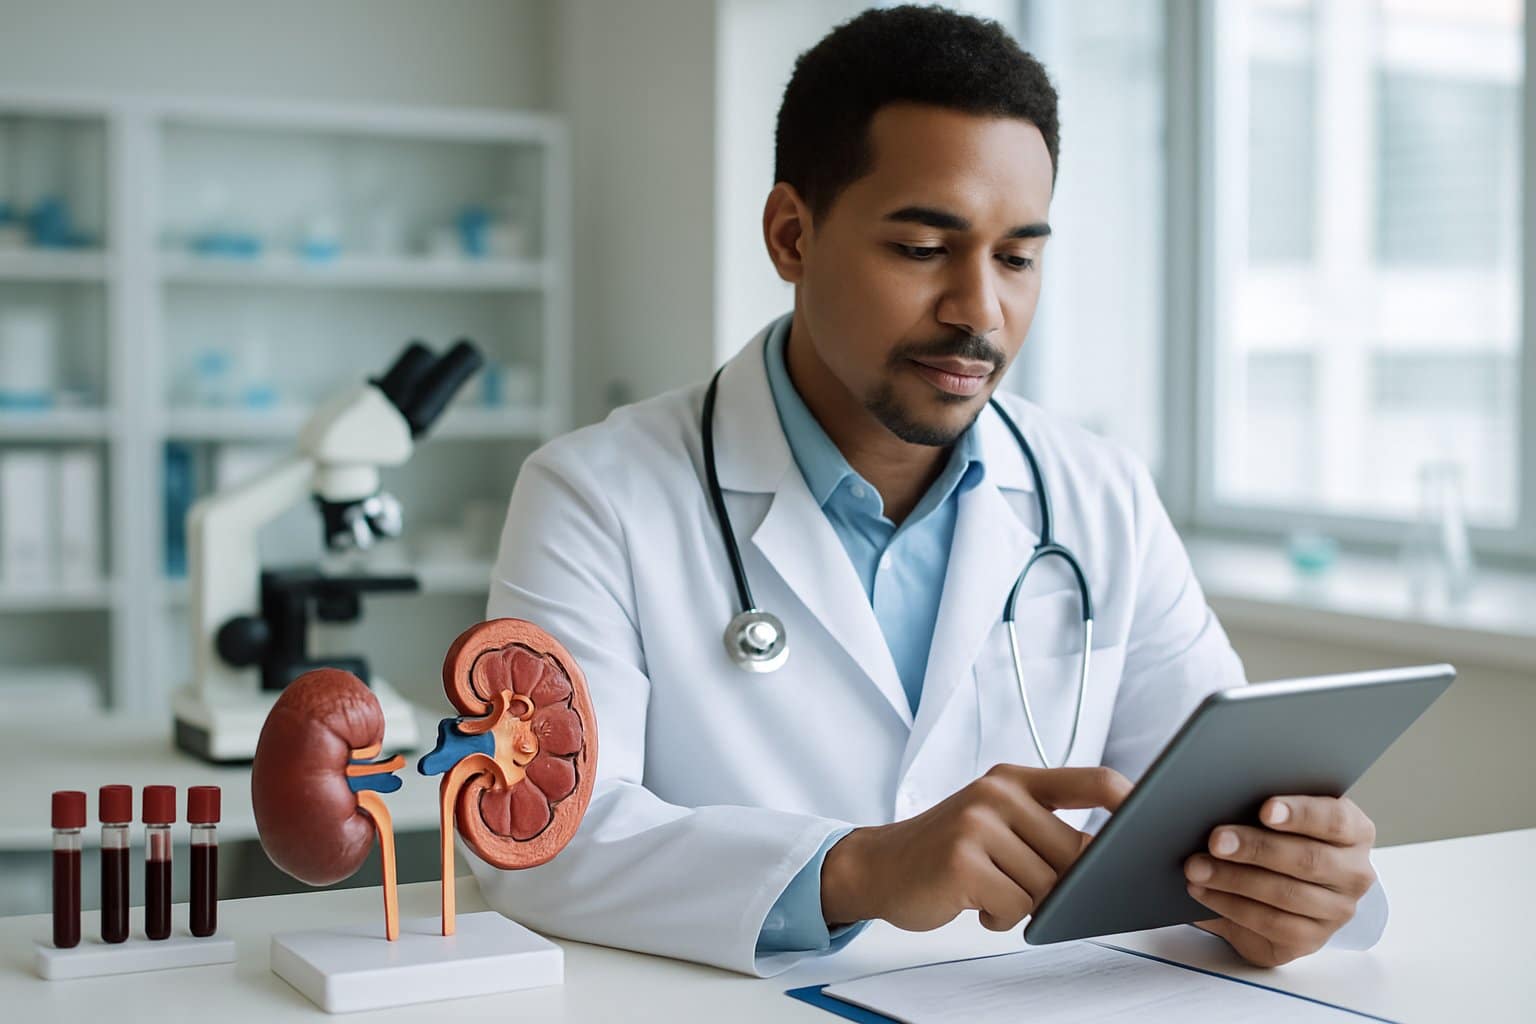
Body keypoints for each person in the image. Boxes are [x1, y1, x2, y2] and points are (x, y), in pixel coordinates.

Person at [473, 4, 1385, 976]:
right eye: (921, 249)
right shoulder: (592, 497)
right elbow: (540, 843)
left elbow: (1220, 811)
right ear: (792, 235)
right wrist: (859, 867)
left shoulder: (1099, 493)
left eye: (1018, 257)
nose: (980, 310)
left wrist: (1292, 883)